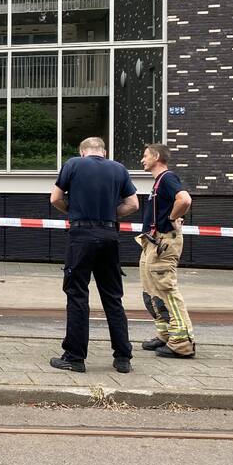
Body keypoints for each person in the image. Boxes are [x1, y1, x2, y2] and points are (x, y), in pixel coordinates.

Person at [49, 136, 139, 374]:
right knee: (112, 297)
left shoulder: (73, 165)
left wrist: (74, 210)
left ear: (82, 151)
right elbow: (133, 204)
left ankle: (75, 357)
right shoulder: (119, 169)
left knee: (77, 295)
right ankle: (123, 358)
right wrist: (110, 213)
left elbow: (55, 198)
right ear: (104, 152)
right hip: (109, 236)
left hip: (81, 237)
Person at [137, 143, 195, 358]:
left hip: (163, 243)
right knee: (151, 289)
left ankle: (182, 343)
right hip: (152, 243)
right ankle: (165, 334)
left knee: (165, 289)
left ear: (156, 157)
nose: (142, 160)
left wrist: (171, 219)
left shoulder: (168, 178)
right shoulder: (159, 182)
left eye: (145, 156)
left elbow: (185, 199)